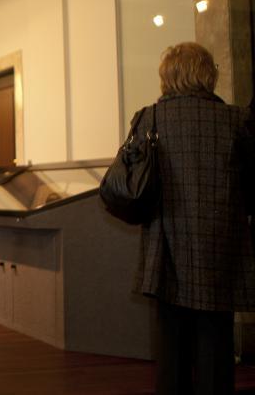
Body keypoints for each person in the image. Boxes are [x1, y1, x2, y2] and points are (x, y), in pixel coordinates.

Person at [131, 42, 255, 394]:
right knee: (215, 345)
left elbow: (135, 182)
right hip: (220, 250)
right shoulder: (237, 120)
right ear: (208, 74)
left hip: (166, 249)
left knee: (171, 349)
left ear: (167, 76)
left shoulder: (149, 118)